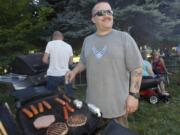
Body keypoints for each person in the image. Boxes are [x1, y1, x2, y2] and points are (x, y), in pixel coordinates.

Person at [66, 1, 143, 128]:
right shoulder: (88, 40)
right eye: (101, 13)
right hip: (92, 107)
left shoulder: (124, 38)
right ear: (93, 19)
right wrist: (74, 71)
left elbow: (136, 68)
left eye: (109, 12)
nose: (107, 15)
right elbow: (83, 62)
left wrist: (134, 95)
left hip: (117, 107)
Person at [42, 31, 74, 96]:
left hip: (53, 75)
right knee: (70, 97)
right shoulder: (69, 46)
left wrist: (51, 62)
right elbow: (70, 62)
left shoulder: (50, 44)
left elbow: (44, 60)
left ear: (53, 37)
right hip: (66, 75)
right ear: (62, 37)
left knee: (51, 97)